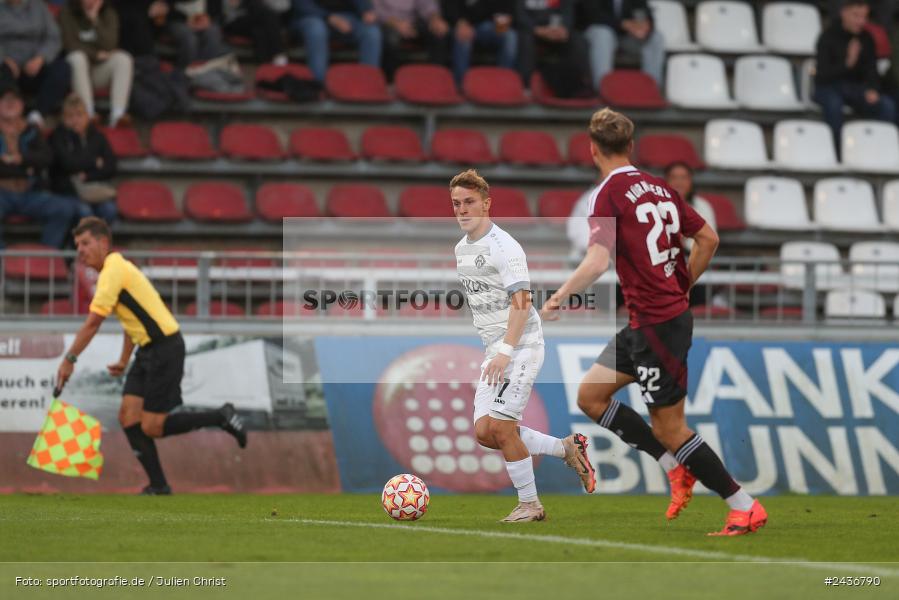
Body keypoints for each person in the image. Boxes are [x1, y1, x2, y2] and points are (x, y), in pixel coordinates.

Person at [541, 108, 767, 536]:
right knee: (591, 396)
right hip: (648, 318)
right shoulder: (660, 187)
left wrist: (557, 297)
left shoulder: (606, 194)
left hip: (658, 323)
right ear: (630, 146)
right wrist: (684, 283)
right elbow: (708, 238)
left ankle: (744, 505)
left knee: (669, 427)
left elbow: (597, 259)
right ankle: (674, 468)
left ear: (592, 149)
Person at [56, 217, 248, 495]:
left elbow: (93, 323)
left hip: (165, 348)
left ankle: (220, 416)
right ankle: (158, 485)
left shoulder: (112, 270)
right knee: (128, 417)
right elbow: (130, 322)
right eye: (77, 245)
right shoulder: (116, 270)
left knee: (152, 426)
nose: (80, 251)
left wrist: (68, 360)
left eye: (85, 243)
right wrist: (124, 360)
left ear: (103, 243)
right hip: (149, 349)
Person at [451, 169, 596, 523]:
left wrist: (505, 351)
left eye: (469, 202)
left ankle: (530, 505)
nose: (462, 210)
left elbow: (521, 300)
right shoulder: (461, 248)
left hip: (521, 346)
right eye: (456, 204)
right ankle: (565, 448)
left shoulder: (505, 246)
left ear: (486, 204)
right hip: (496, 348)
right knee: (486, 432)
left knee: (501, 428)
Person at [0, 84, 76, 250]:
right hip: (2, 194)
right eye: (5, 100)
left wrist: (20, 160)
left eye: (14, 100)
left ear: (22, 105)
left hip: (29, 192)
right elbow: (36, 162)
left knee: (65, 208)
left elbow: (47, 158)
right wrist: (27, 168)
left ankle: (44, 257)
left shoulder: (31, 131)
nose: (10, 104)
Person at [814, 0, 896, 145]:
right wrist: (848, 63)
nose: (861, 21)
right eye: (856, 16)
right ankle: (838, 150)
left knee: (886, 105)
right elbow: (822, 75)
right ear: (844, 13)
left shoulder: (866, 38)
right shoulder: (827, 37)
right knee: (833, 104)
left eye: (864, 17)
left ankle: (883, 147)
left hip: (856, 89)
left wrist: (873, 89)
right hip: (829, 87)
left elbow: (872, 70)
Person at [59, 0, 134, 127]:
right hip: (76, 73)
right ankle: (88, 113)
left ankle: (118, 115)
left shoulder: (108, 13)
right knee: (77, 58)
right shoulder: (67, 13)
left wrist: (95, 20)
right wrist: (95, 54)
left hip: (98, 72)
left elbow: (110, 44)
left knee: (123, 58)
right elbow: (69, 44)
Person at [0, 0, 72, 128]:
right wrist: (4, 59)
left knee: (62, 68)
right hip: (8, 65)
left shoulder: (39, 7)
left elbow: (54, 37)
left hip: (35, 64)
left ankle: (37, 114)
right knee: (3, 72)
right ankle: (9, 117)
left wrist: (41, 58)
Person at [49, 94, 118, 224]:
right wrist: (94, 162)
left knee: (109, 210)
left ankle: (99, 242)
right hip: (68, 192)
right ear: (63, 118)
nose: (75, 120)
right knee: (84, 212)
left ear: (87, 116)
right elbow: (67, 164)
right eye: (70, 116)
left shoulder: (97, 137)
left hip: (94, 189)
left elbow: (111, 166)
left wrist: (87, 176)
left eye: (79, 115)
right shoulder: (58, 137)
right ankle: (77, 242)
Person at [580, 0, 665, 92]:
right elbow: (593, 15)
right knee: (603, 34)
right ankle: (603, 89)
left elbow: (644, 13)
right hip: (597, 33)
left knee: (656, 37)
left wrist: (644, 26)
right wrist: (624, 24)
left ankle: (651, 90)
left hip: (626, 38)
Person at [289, 0, 383, 82]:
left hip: (345, 16)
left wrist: (365, 10)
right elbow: (303, 6)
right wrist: (329, 17)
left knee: (371, 31)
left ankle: (368, 82)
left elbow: (361, 3)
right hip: (311, 16)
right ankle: (318, 83)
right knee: (316, 29)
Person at [515, 0, 590, 95]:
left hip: (557, 31)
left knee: (578, 40)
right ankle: (526, 85)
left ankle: (584, 83)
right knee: (525, 38)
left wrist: (564, 29)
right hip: (533, 31)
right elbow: (520, 16)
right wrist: (537, 30)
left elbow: (568, 15)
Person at [443, 0, 517, 84]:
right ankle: (461, 85)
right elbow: (449, 7)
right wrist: (460, 23)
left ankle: (503, 82)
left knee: (510, 36)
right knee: (463, 37)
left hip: (490, 25)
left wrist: (502, 25)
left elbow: (505, 12)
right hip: (462, 23)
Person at [374, 0, 450, 78]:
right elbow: (376, 11)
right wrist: (397, 24)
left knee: (439, 33)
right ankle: (391, 81)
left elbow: (427, 5)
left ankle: (436, 78)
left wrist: (435, 19)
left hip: (413, 22)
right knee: (391, 39)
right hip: (388, 23)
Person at [208, 0, 289, 65]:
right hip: (230, 23)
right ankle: (278, 53)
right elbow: (216, 14)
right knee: (269, 16)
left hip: (250, 20)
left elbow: (283, 6)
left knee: (259, 30)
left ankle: (265, 63)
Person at [165, 0, 232, 69]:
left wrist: (208, 21)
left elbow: (218, 14)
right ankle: (186, 69)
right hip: (179, 21)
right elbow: (168, 9)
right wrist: (187, 21)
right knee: (190, 37)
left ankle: (205, 68)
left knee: (214, 32)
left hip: (206, 20)